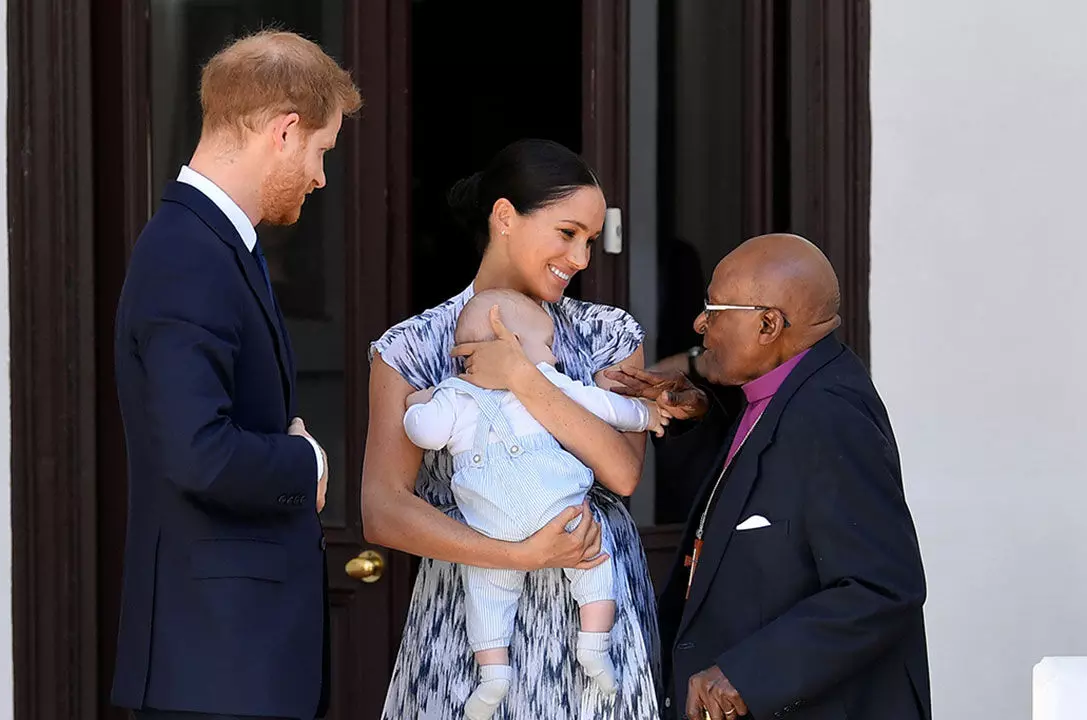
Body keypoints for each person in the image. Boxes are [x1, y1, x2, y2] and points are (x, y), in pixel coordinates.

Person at [363, 139, 664, 719]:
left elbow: (623, 474)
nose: (581, 259)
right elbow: (383, 510)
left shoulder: (608, 334)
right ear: (504, 218)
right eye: (568, 233)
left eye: (590, 241)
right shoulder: (413, 347)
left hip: (592, 627)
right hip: (470, 628)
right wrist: (519, 554)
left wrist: (524, 379)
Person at [111, 31, 362, 720]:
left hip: (233, 665)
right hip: (213, 671)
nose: (320, 177)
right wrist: (303, 462)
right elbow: (199, 451)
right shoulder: (188, 254)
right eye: (320, 152)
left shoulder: (216, 246)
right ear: (285, 130)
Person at [611, 234, 931, 720]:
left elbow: (882, 586)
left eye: (714, 309)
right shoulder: (780, 389)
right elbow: (757, 501)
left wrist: (749, 674)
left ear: (767, 324)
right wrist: (697, 415)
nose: (699, 323)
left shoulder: (830, 415)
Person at [402, 288, 670, 719]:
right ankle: (594, 645)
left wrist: (417, 405)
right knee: (593, 566)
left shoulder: (452, 396)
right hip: (558, 510)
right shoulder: (552, 383)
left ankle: (493, 677)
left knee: (485, 601)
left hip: (490, 530)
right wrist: (648, 416)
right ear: (512, 341)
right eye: (548, 346)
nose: (557, 358)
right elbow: (608, 407)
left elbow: (425, 433)